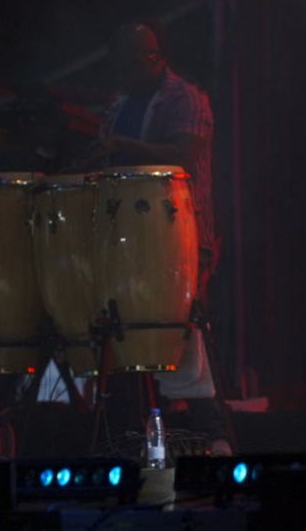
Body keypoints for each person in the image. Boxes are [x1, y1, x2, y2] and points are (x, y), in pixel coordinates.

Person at [78, 22, 232, 452]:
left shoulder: (185, 98)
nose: (120, 75)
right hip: (124, 241)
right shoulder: (121, 101)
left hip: (178, 238)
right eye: (116, 67)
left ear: (153, 57)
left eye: (127, 66)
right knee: (129, 339)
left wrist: (124, 144)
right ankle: (143, 440)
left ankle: (215, 437)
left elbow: (185, 155)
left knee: (180, 336)